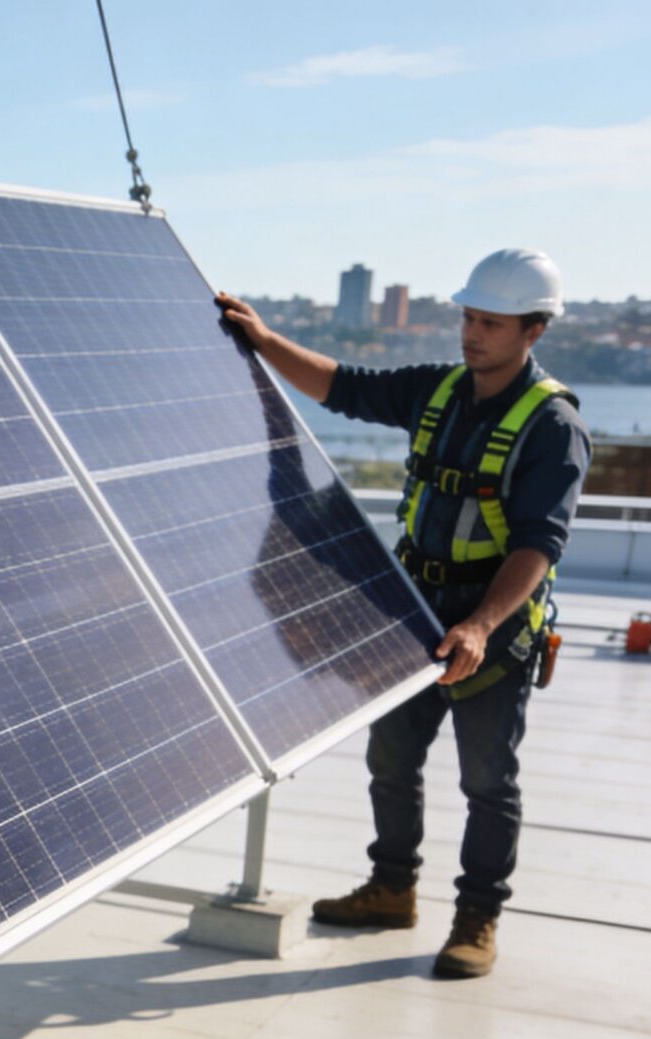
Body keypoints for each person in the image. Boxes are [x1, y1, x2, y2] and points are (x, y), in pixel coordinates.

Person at [215, 248, 588, 979]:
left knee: (487, 780)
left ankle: (477, 918)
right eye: (468, 317)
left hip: (493, 624)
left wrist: (480, 625)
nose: (471, 333)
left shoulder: (551, 426)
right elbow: (342, 387)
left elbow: (541, 542)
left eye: (490, 322)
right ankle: (392, 888)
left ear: (533, 331)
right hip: (414, 610)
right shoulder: (440, 389)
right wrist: (265, 341)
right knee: (391, 759)